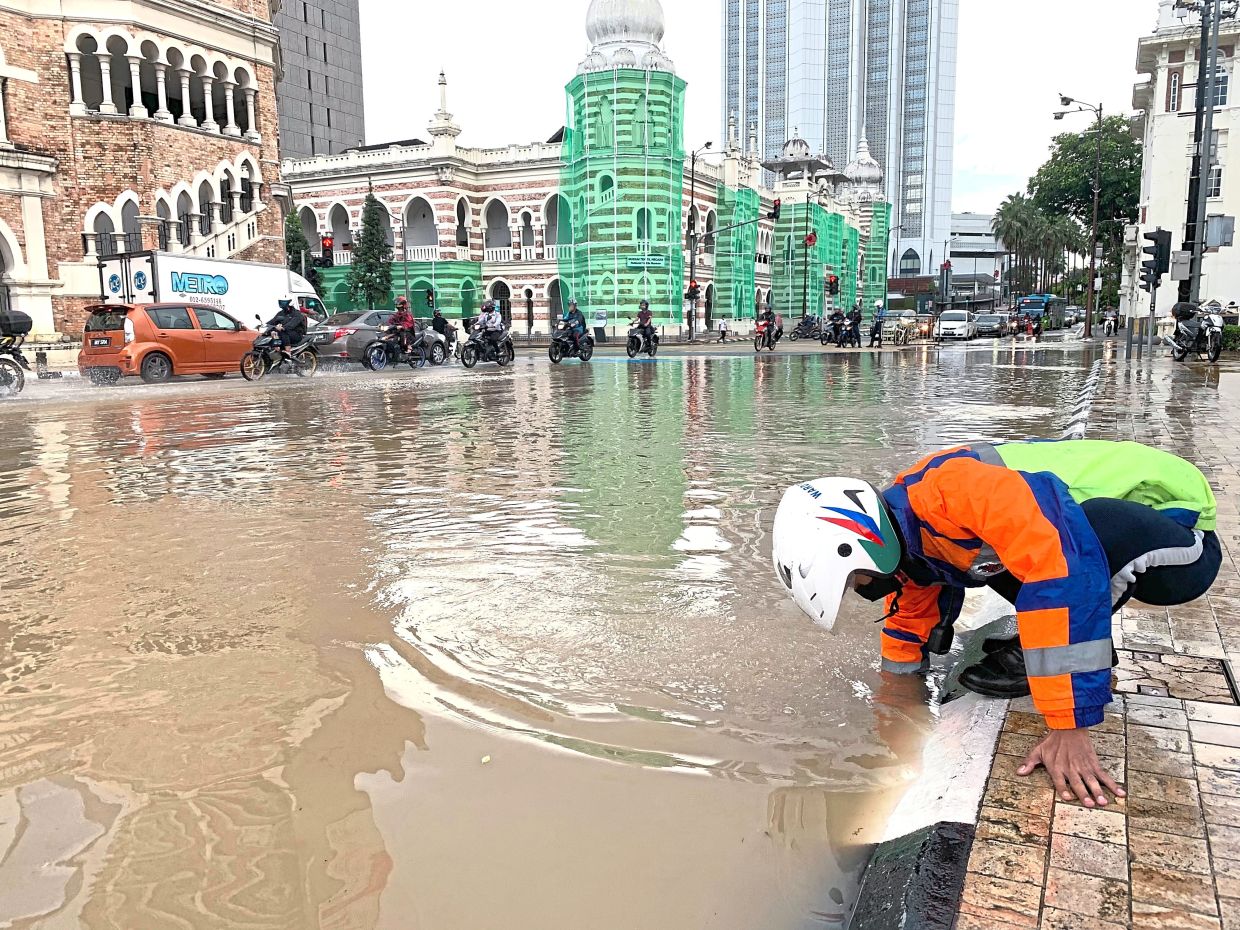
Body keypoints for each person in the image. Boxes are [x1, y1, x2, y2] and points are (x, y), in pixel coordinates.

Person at [771, 440, 1220, 809]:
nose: (865, 587)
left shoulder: (955, 493)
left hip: (1179, 532)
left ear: (865, 546)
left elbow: (1063, 574)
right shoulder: (910, 534)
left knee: (1068, 550)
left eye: (860, 578)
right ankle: (1059, 655)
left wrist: (1068, 727)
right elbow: (908, 626)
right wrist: (893, 714)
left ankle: (1057, 663)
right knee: (1004, 561)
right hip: (1099, 536)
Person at [268, 297, 308, 362]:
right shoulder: (281, 313)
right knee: (273, 332)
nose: (282, 303)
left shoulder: (297, 314)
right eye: (281, 302)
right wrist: (264, 326)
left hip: (297, 335)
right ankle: (277, 350)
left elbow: (292, 324)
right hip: (287, 335)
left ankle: (288, 351)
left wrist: (283, 327)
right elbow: (273, 321)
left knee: (283, 332)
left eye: (284, 302)